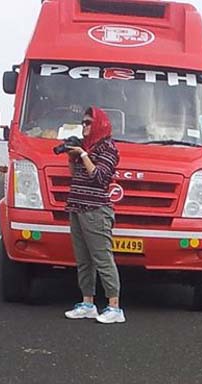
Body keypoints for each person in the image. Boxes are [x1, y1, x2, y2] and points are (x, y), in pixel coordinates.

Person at [63, 106, 124, 324]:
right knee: (83, 260)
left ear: (99, 124)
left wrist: (84, 155)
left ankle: (114, 307)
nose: (84, 126)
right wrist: (72, 157)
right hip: (77, 207)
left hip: (96, 210)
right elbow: (76, 176)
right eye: (83, 122)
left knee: (102, 258)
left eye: (88, 122)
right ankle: (87, 303)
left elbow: (99, 178)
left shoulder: (108, 148)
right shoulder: (86, 146)